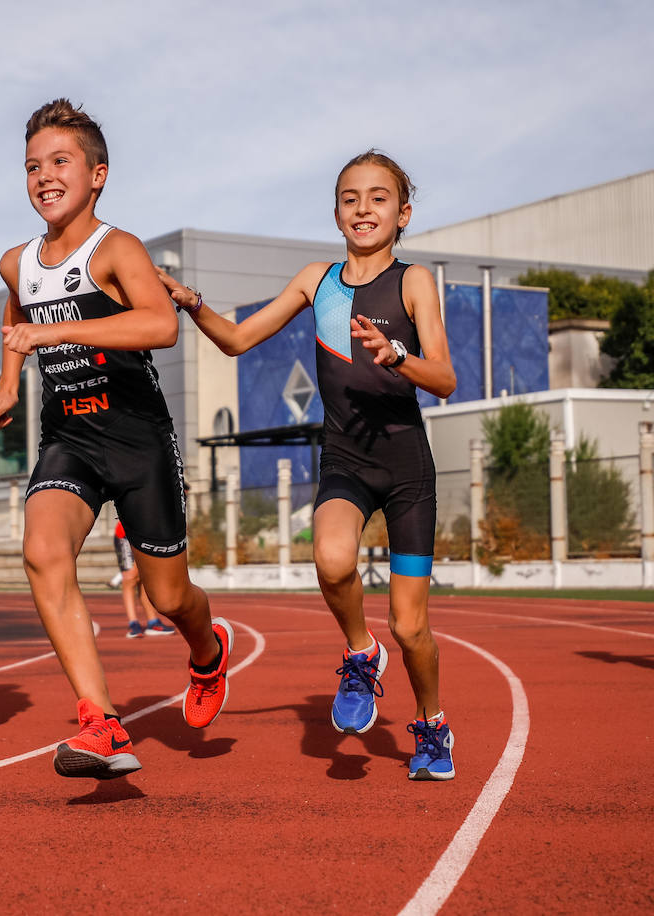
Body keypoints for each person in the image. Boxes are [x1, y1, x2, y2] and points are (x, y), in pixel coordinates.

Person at [158, 150, 459, 781]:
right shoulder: (315, 280)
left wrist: (397, 355)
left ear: (402, 214)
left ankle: (432, 724)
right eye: (350, 197)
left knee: (411, 627)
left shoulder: (414, 282)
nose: (363, 208)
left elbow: (447, 379)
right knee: (329, 560)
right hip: (347, 459)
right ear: (336, 212)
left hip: (407, 469)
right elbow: (238, 341)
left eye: (379, 198)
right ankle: (359, 651)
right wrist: (193, 302)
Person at [0, 99, 232, 780]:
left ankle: (208, 653)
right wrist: (9, 385)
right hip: (70, 438)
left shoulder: (116, 248)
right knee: (41, 550)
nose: (43, 176)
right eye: (32, 165)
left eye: (60, 161)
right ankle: (102, 723)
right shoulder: (17, 262)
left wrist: (55, 332)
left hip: (138, 437)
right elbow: (17, 313)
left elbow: (159, 325)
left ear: (98, 175)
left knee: (170, 597)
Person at [114, 519, 175, 638]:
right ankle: (133, 624)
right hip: (127, 534)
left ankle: (152, 622)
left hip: (147, 536)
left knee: (144, 577)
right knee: (130, 578)